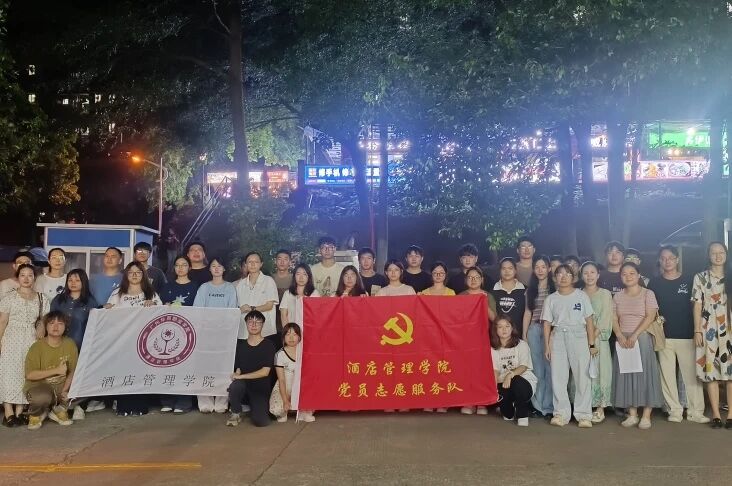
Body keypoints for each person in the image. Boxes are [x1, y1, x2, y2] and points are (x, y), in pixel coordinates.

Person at [650, 245, 708, 424]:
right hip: (664, 336)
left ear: (677, 259)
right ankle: (674, 410)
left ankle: (695, 411)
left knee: (691, 376)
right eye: (663, 258)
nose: (667, 261)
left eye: (670, 258)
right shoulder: (654, 283)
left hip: (687, 334)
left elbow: (698, 306)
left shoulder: (690, 280)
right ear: (660, 261)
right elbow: (651, 310)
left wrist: (698, 330)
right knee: (667, 376)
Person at [542, 264, 597, 428]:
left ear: (573, 277)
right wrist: (547, 346)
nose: (563, 277)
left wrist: (591, 344)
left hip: (579, 336)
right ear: (555, 278)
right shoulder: (551, 299)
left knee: (582, 376)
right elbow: (547, 324)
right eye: (559, 274)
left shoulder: (581, 296)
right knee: (558, 376)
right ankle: (560, 413)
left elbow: (589, 321)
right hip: (558, 336)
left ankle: (584, 415)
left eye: (567, 274)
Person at [106, 262, 162, 416]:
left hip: (144, 342)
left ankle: (140, 406)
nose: (135, 275)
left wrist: (153, 305)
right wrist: (107, 309)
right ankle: (123, 406)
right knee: (124, 372)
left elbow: (161, 314)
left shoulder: (150, 293)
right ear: (126, 275)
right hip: (123, 341)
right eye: (131, 272)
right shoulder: (118, 293)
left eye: (138, 272)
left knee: (140, 373)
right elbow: (108, 315)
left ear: (144, 275)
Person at [612, 262, 663, 429]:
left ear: (639, 275)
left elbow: (650, 316)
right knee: (627, 375)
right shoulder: (617, 296)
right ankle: (632, 414)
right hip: (623, 339)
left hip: (642, 337)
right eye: (624, 274)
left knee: (645, 374)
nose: (628, 276)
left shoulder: (648, 293)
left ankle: (646, 415)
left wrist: (635, 335)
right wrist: (619, 335)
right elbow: (613, 318)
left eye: (632, 273)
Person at [0, 263, 49, 427]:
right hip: (11, 338)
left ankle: (20, 411)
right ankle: (8, 412)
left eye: (30, 275)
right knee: (9, 373)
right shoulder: (9, 297)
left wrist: (41, 326)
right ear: (18, 277)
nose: (26, 278)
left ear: (34, 278)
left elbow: (44, 319)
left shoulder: (42, 298)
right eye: (23, 275)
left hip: (31, 339)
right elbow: (2, 321)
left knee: (25, 373)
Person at [692, 241, 732, 429]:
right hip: (708, 328)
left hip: (729, 327)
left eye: (721, 252)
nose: (718, 256)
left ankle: (731, 414)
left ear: (726, 254)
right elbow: (697, 304)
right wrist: (697, 330)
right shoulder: (700, 277)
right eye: (714, 252)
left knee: (730, 373)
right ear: (708, 255)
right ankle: (716, 414)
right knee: (711, 372)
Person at [193, 257, 238, 414]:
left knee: (223, 368)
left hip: (224, 334)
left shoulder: (230, 288)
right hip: (206, 334)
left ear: (224, 269)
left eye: (220, 266)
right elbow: (198, 310)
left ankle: (221, 401)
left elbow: (232, 310)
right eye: (213, 266)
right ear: (210, 269)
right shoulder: (204, 288)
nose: (217, 268)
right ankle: (204, 401)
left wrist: (222, 326)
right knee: (204, 367)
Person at [23, 311, 78, 430]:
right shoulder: (37, 347)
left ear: (65, 326)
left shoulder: (70, 344)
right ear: (46, 326)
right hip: (41, 387)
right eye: (52, 323)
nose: (56, 327)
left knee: (84, 388)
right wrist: (56, 370)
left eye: (60, 323)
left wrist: (65, 390)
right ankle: (36, 414)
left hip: (61, 386)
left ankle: (59, 409)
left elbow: (73, 371)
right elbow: (30, 375)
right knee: (42, 397)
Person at [158, 255, 197, 414]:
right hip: (168, 330)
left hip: (188, 331)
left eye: (184, 265)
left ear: (189, 267)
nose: (180, 268)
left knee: (185, 366)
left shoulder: (195, 287)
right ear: (174, 268)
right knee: (167, 365)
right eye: (177, 265)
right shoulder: (167, 287)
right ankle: (167, 400)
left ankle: (184, 401)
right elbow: (159, 308)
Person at [226, 310, 276, 427]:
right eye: (250, 322)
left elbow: (265, 372)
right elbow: (239, 367)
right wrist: (236, 375)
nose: (253, 325)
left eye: (257, 322)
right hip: (244, 386)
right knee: (235, 386)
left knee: (261, 422)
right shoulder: (241, 345)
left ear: (262, 325)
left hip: (260, 389)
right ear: (246, 324)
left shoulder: (268, 345)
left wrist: (241, 376)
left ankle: (254, 406)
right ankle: (235, 412)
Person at [458, 266, 497, 415]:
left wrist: (483, 301)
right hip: (464, 340)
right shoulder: (460, 296)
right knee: (466, 371)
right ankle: (468, 401)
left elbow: (494, 318)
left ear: (482, 280)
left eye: (476, 277)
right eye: (470, 277)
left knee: (482, 371)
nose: (473, 280)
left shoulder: (488, 296)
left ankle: (481, 402)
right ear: (465, 280)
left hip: (483, 339)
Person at [580, 261, 614, 423]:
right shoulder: (578, 294)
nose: (589, 276)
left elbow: (606, 317)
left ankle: (600, 407)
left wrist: (592, 338)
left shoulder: (605, 294)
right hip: (580, 339)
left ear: (598, 275)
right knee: (582, 372)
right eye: (585, 273)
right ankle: (584, 405)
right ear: (581, 276)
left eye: (592, 272)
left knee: (601, 371)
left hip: (599, 339)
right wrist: (585, 337)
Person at [522, 256, 555, 418]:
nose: (540, 270)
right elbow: (528, 312)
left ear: (549, 269)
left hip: (552, 331)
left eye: (543, 267)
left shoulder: (555, 289)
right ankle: (537, 406)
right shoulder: (530, 290)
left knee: (550, 368)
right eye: (537, 267)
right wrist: (524, 335)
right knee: (536, 369)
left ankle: (549, 407)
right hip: (534, 330)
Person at [491, 316, 537, 426]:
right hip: (504, 384)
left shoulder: (521, 345)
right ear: (495, 330)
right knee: (508, 416)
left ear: (512, 328)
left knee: (516, 380)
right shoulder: (493, 349)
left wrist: (510, 375)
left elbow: (523, 366)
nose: (504, 329)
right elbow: (495, 370)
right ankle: (510, 407)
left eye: (507, 326)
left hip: (523, 383)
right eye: (500, 327)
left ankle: (522, 413)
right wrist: (493, 388)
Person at [270, 323, 314, 422]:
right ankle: (288, 409)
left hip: (301, 387)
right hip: (285, 387)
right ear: (283, 337)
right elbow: (281, 380)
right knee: (277, 410)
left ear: (299, 337)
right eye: (288, 334)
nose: (291, 338)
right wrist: (285, 400)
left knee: (311, 405)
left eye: (294, 334)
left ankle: (302, 412)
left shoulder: (305, 352)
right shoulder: (279, 354)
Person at [235, 252, 279, 341]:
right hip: (244, 330)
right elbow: (237, 308)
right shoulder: (240, 284)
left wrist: (252, 309)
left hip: (265, 329)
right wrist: (240, 309)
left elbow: (269, 305)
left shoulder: (268, 281)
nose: (252, 264)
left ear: (261, 264)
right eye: (250, 262)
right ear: (245, 264)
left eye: (256, 262)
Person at [491, 257, 527, 336]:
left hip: (519, 334)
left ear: (515, 270)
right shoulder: (492, 291)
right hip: (499, 336)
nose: (507, 271)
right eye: (503, 268)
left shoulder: (525, 290)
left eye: (510, 268)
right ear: (500, 271)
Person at [272, 249, 293, 335]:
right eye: (279, 259)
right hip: (272, 321)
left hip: (290, 320)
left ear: (290, 262)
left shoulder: (295, 279)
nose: (282, 262)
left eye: (285, 259)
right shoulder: (269, 279)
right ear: (275, 261)